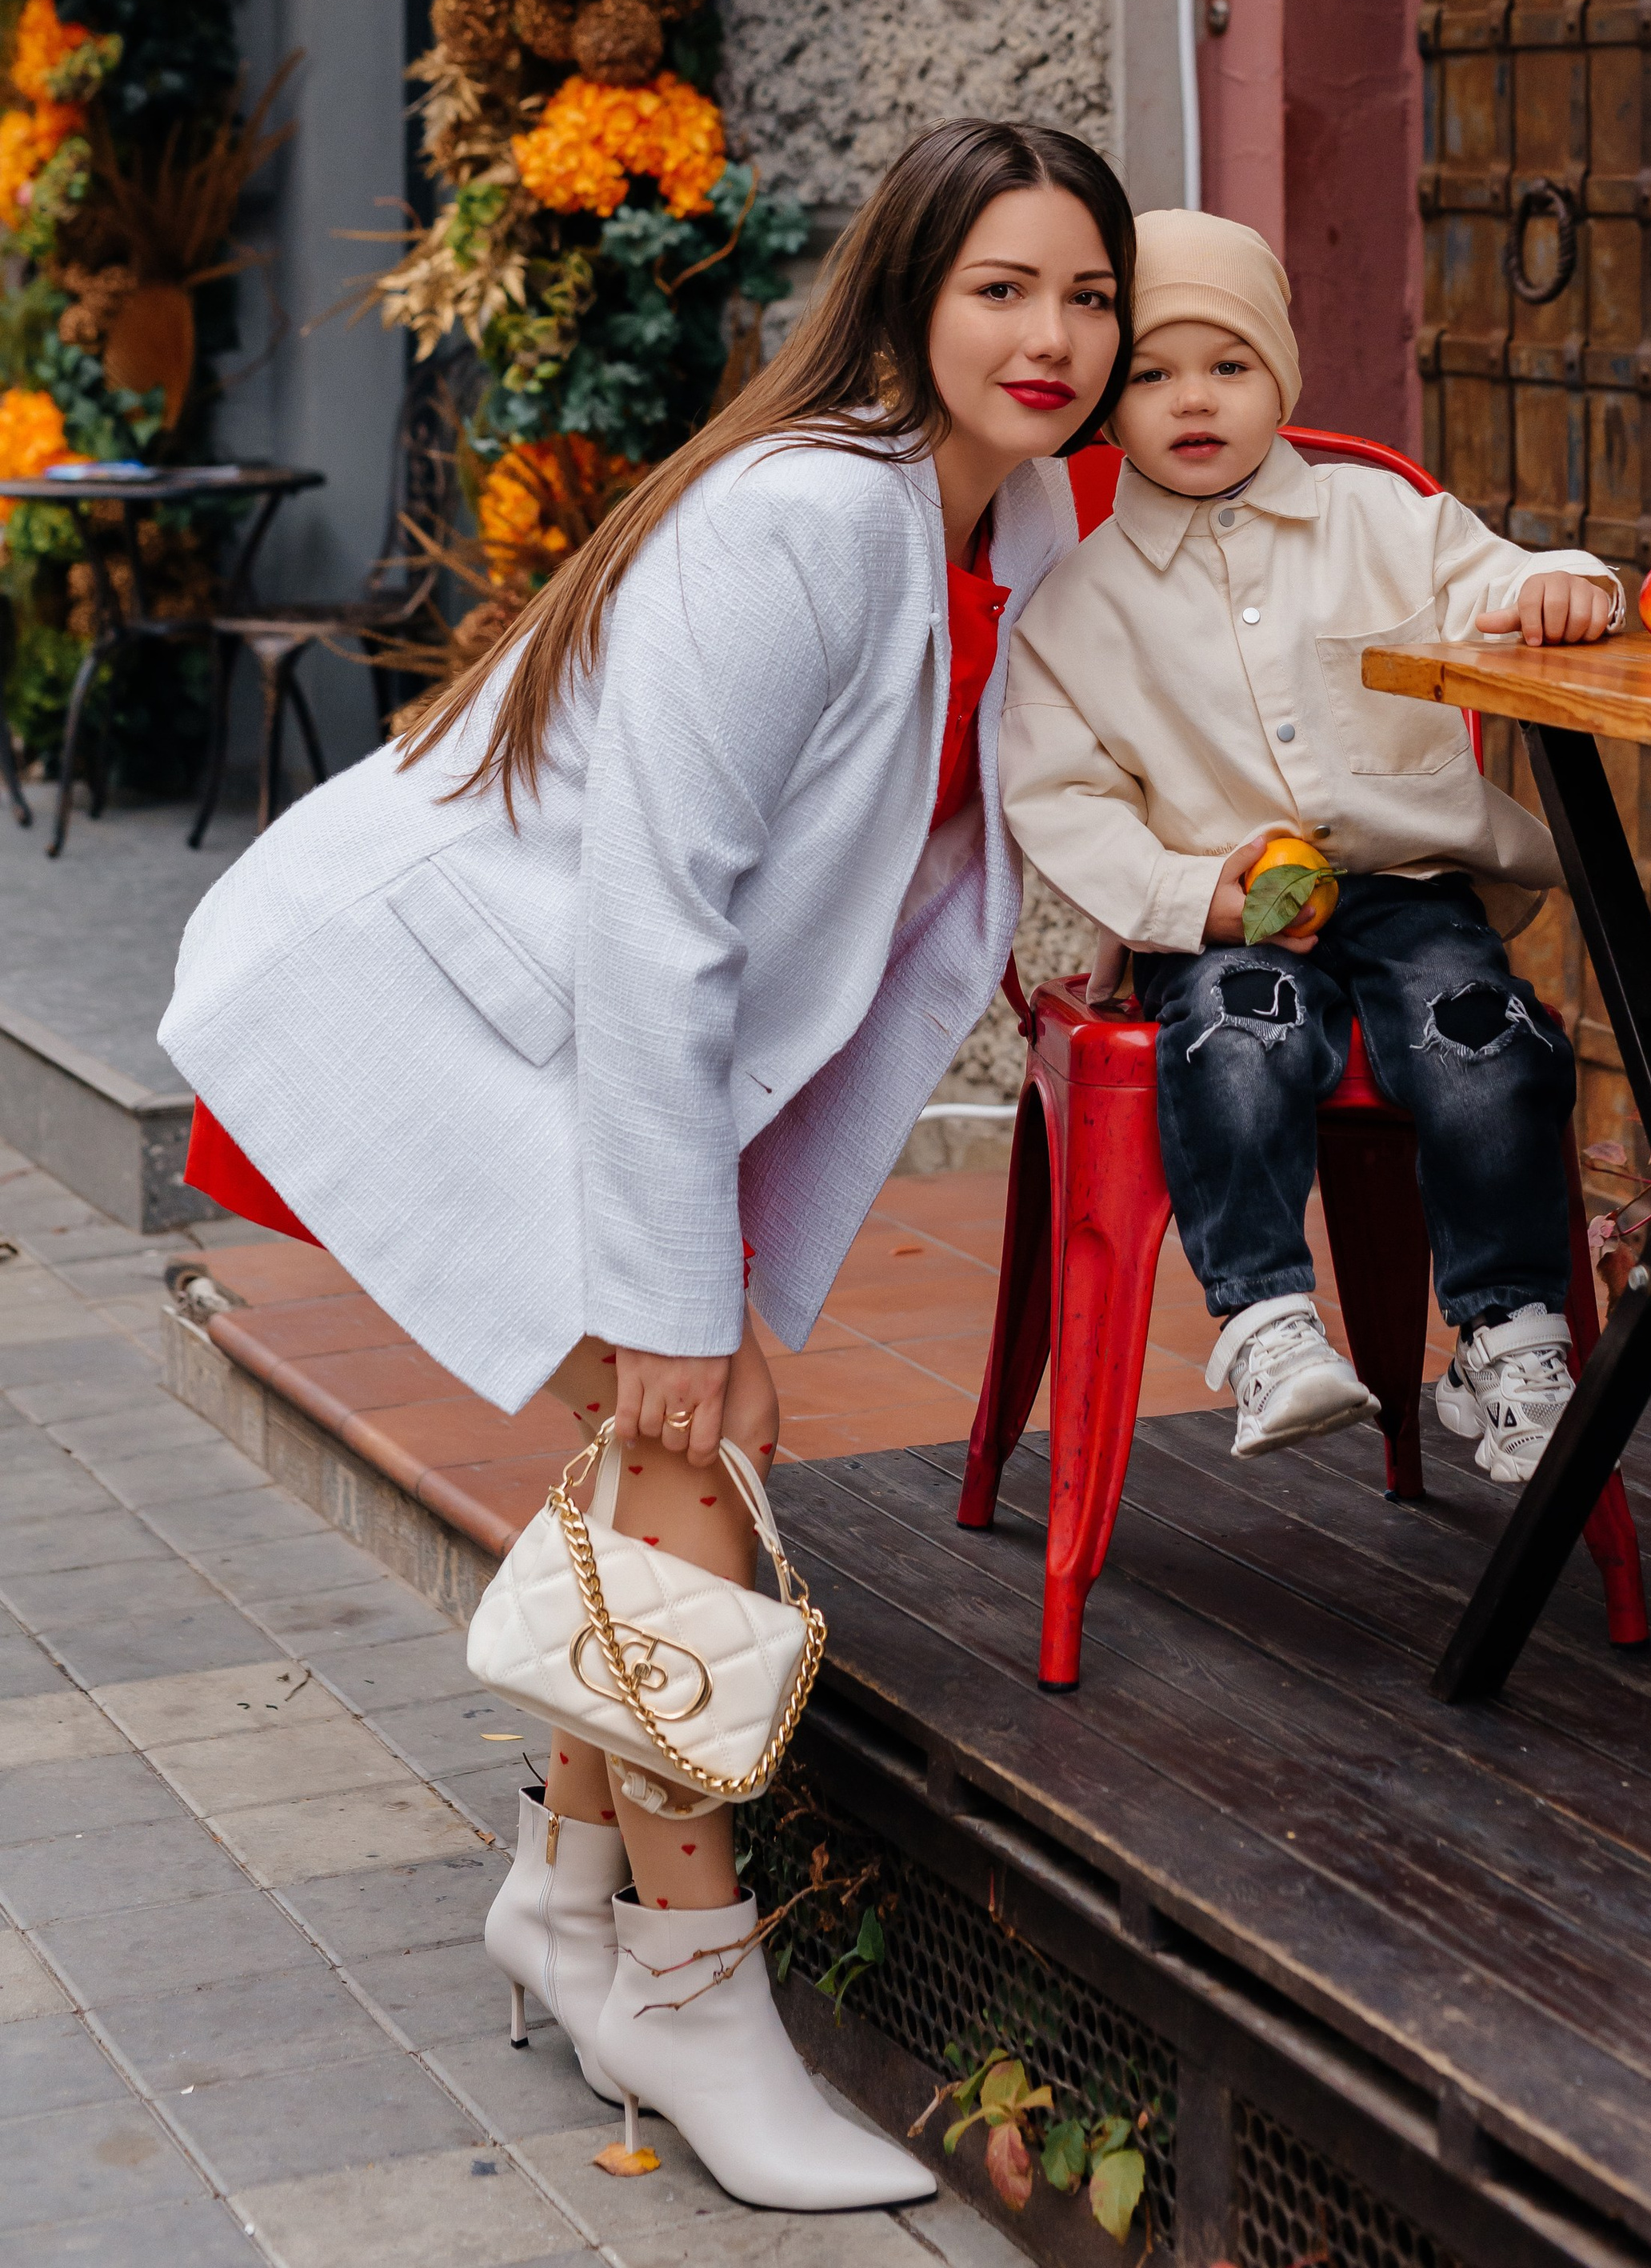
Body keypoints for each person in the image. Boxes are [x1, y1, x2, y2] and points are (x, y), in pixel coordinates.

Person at [158, 118, 1134, 2210]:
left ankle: (558, 1885)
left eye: (1089, 293)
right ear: (907, 294)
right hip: (481, 1001)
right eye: (1004, 287)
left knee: (674, 1439)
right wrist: (681, 1290)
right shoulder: (802, 514)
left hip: (605, 1029)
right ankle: (691, 1982)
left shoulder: (1025, 526)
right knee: (685, 1438)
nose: (1055, 334)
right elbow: (658, 915)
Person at [999, 207, 1621, 1486]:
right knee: (1244, 1034)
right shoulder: (1082, 598)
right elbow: (1059, 795)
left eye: (1228, 366)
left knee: (1484, 1037)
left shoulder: (1380, 518)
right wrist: (1194, 897)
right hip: (1224, 919)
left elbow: (1506, 579)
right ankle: (1267, 1319)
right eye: (1154, 374)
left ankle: (1509, 1334)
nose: (1194, 401)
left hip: (1407, 894)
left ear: (1280, 374)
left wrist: (1572, 587)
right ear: (1107, 407)